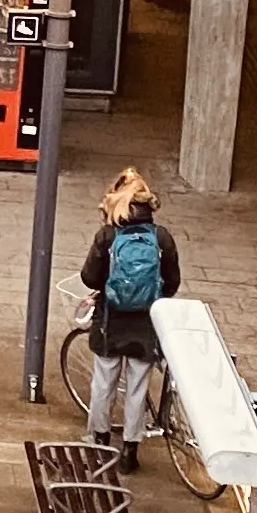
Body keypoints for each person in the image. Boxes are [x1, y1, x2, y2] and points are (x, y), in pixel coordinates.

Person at [77, 167, 178, 470]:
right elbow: (172, 282)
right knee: (138, 387)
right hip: (146, 324)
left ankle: (100, 440)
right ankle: (130, 452)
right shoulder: (161, 237)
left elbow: (89, 276)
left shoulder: (107, 235)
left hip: (111, 321)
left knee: (104, 382)